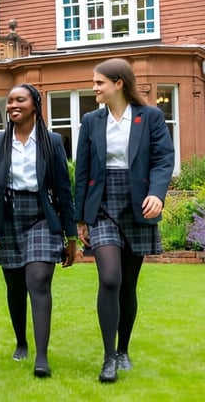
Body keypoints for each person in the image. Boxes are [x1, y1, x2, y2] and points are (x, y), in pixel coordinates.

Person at [74, 58, 175, 383]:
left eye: (99, 82)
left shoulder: (151, 117)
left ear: (119, 83)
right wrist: (81, 219)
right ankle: (108, 358)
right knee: (110, 279)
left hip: (138, 204)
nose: (94, 88)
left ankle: (123, 349)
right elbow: (83, 170)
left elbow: (163, 159)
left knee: (128, 284)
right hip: (102, 204)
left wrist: (158, 194)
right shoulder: (91, 120)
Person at [0, 83, 78, 378]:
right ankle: (21, 341)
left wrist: (71, 237)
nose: (12, 105)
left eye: (19, 100)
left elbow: (63, 190)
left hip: (42, 216)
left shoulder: (52, 141)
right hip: (7, 217)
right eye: (9, 101)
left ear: (35, 103)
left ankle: (42, 357)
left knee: (38, 281)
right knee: (15, 287)